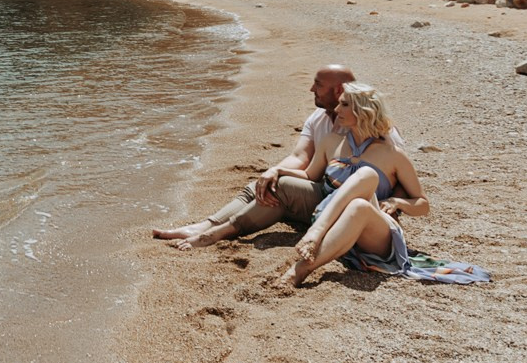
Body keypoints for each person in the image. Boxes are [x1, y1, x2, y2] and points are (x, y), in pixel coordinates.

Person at [153, 63, 404, 250]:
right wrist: (273, 171)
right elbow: (300, 157)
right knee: (264, 183)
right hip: (323, 187)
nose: (311, 89)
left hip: (347, 202)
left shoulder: (381, 133)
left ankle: (216, 233)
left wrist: (394, 204)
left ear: (338, 90)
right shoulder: (319, 119)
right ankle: (206, 225)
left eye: (317, 84)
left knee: (282, 187)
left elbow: (399, 177)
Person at [277, 81, 430, 286]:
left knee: (366, 176)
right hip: (337, 225)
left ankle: (300, 269)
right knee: (358, 205)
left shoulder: (392, 154)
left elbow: (423, 205)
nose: (337, 109)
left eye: (345, 105)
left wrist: (397, 202)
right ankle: (316, 236)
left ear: (363, 110)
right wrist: (277, 170)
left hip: (376, 236)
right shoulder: (332, 141)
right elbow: (309, 175)